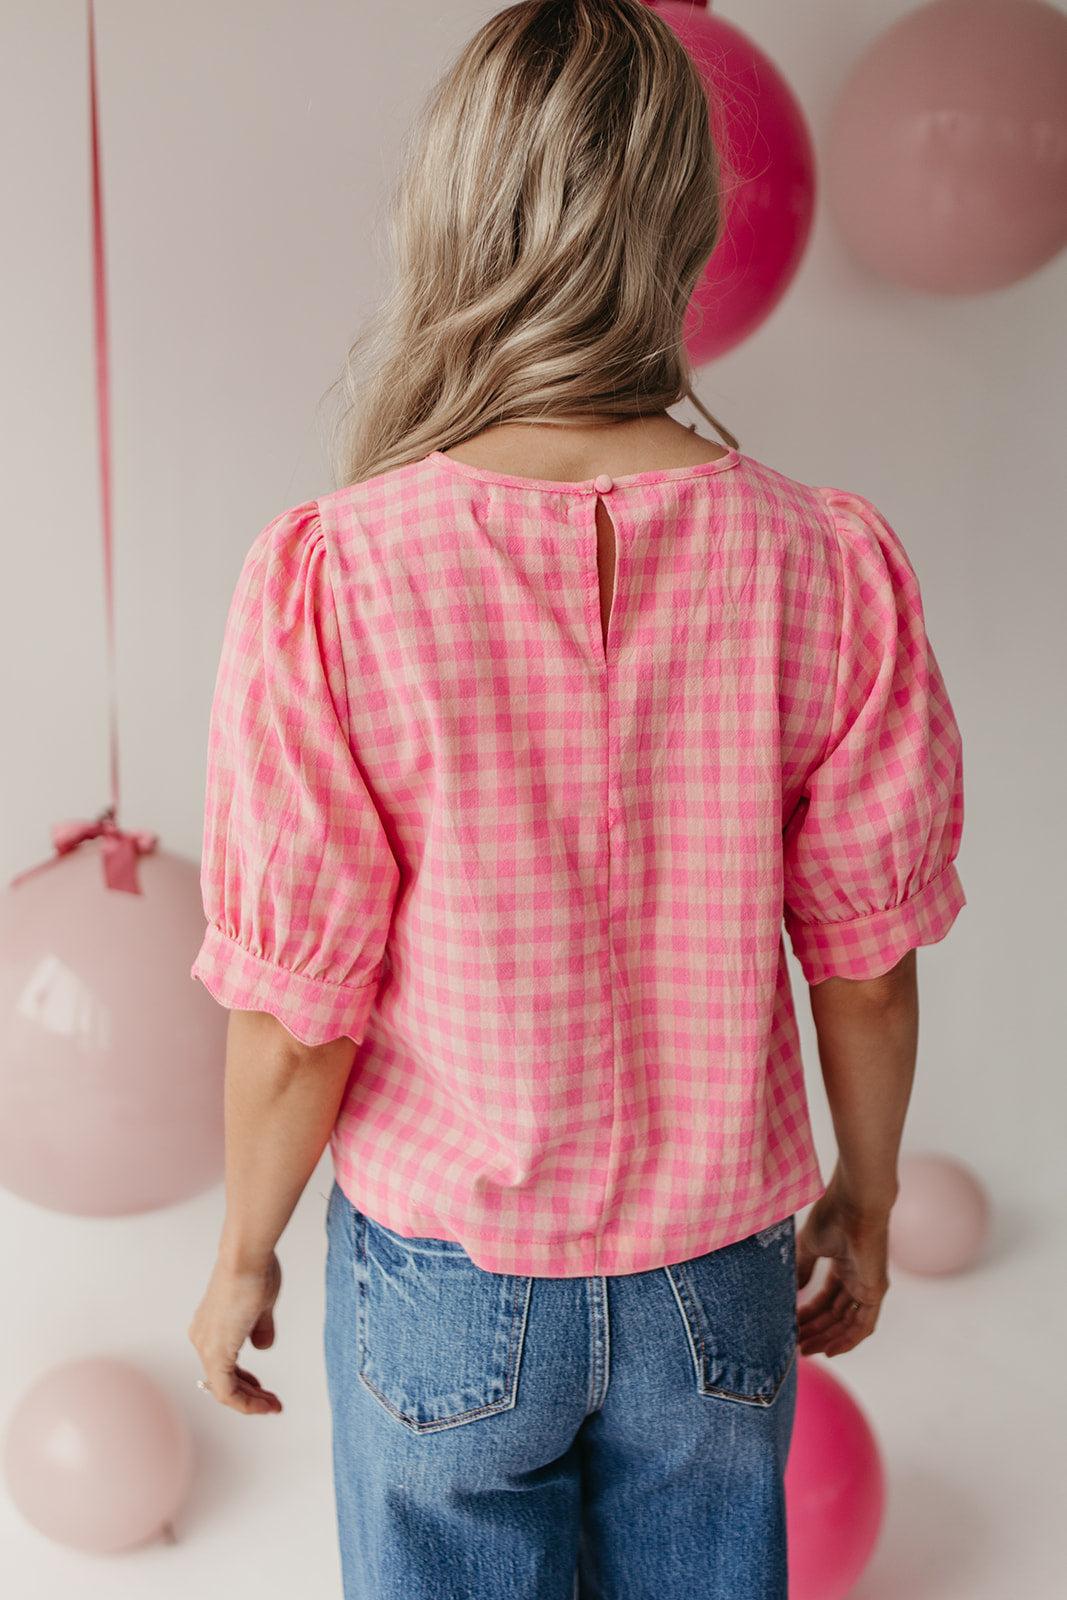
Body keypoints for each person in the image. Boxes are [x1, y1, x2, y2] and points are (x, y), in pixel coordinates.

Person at [187, 2, 966, 1596]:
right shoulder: (827, 562)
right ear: (686, 225)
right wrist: (866, 1202)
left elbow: (296, 1018)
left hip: (445, 1280)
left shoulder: (339, 575)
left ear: (459, 216)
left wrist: (242, 1248)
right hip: (716, 1278)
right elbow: (869, 966)